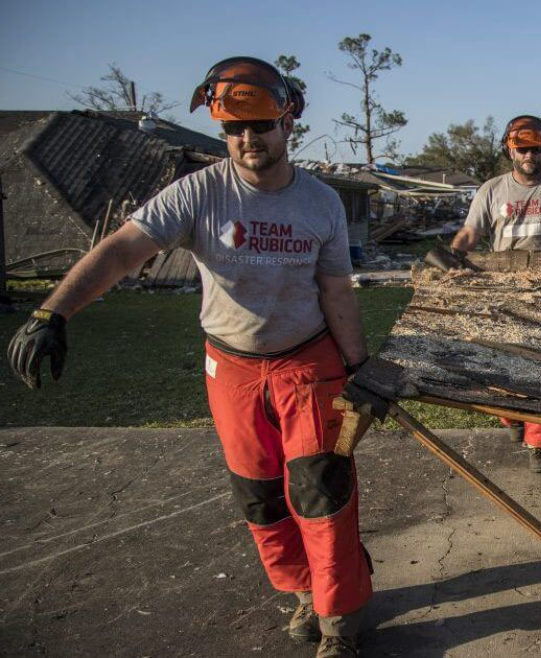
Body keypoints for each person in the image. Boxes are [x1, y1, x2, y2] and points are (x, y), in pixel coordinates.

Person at [7, 57, 371, 658]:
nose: (248, 140)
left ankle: (340, 624)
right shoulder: (198, 193)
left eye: (260, 125)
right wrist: (53, 311)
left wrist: (358, 367)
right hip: (230, 367)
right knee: (259, 496)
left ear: (287, 122)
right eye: (234, 129)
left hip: (307, 363)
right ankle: (304, 591)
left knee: (322, 489)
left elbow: (335, 291)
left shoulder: (322, 203)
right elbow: (123, 249)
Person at [450, 115, 541, 474]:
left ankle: (539, 443)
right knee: (500, 363)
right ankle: (512, 417)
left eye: (535, 149)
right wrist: (451, 259)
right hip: (501, 289)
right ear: (510, 150)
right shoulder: (492, 190)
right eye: (522, 148)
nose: (529, 155)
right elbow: (469, 233)